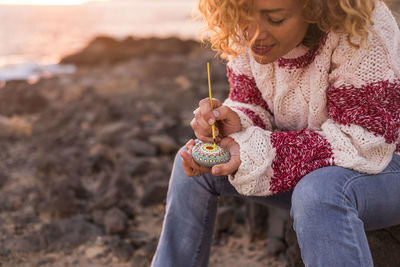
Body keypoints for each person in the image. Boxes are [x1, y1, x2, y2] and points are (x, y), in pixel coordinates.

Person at [151, 0, 400, 266]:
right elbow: (253, 102)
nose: (255, 34)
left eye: (276, 19)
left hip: (384, 162)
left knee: (318, 193)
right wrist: (234, 123)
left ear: (315, 8)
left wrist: (257, 150)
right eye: (244, 17)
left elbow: (365, 141)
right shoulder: (247, 28)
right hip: (313, 162)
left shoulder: (362, 29)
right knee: (191, 161)